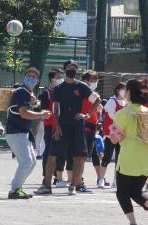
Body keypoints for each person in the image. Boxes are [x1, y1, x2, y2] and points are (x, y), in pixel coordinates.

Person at [34, 60, 101, 195]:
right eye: (70, 67)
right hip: (62, 126)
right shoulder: (59, 88)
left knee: (78, 157)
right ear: (64, 70)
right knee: (53, 155)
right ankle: (47, 185)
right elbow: (55, 108)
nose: (72, 69)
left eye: (74, 68)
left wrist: (87, 114)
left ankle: (73, 186)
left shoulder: (82, 86)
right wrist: (57, 125)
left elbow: (97, 100)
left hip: (77, 126)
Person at [111, 79, 148, 225]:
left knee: (122, 193)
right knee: (136, 192)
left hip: (129, 157)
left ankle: (133, 223)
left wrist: (113, 134)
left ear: (128, 92)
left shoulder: (123, 113)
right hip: (147, 157)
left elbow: (114, 140)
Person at [6, 67, 51, 199]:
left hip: (22, 133)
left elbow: (29, 108)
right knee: (26, 162)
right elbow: (24, 113)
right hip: (16, 132)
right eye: (28, 76)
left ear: (37, 80)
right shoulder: (22, 92)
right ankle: (15, 190)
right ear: (24, 77)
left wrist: (35, 103)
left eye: (34, 77)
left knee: (30, 163)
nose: (31, 78)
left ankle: (17, 188)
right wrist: (41, 114)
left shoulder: (27, 93)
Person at [39, 69, 68, 187]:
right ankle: (46, 176)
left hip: (62, 125)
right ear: (52, 79)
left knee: (62, 152)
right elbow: (43, 110)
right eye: (58, 77)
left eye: (62, 76)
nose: (61, 78)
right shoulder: (47, 93)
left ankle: (58, 176)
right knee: (49, 151)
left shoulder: (64, 92)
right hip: (50, 125)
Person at [95, 82, 126, 188]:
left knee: (119, 157)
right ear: (118, 90)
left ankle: (116, 180)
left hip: (121, 132)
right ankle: (101, 179)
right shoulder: (111, 101)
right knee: (107, 157)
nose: (125, 92)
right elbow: (112, 115)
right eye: (123, 89)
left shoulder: (125, 102)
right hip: (111, 132)